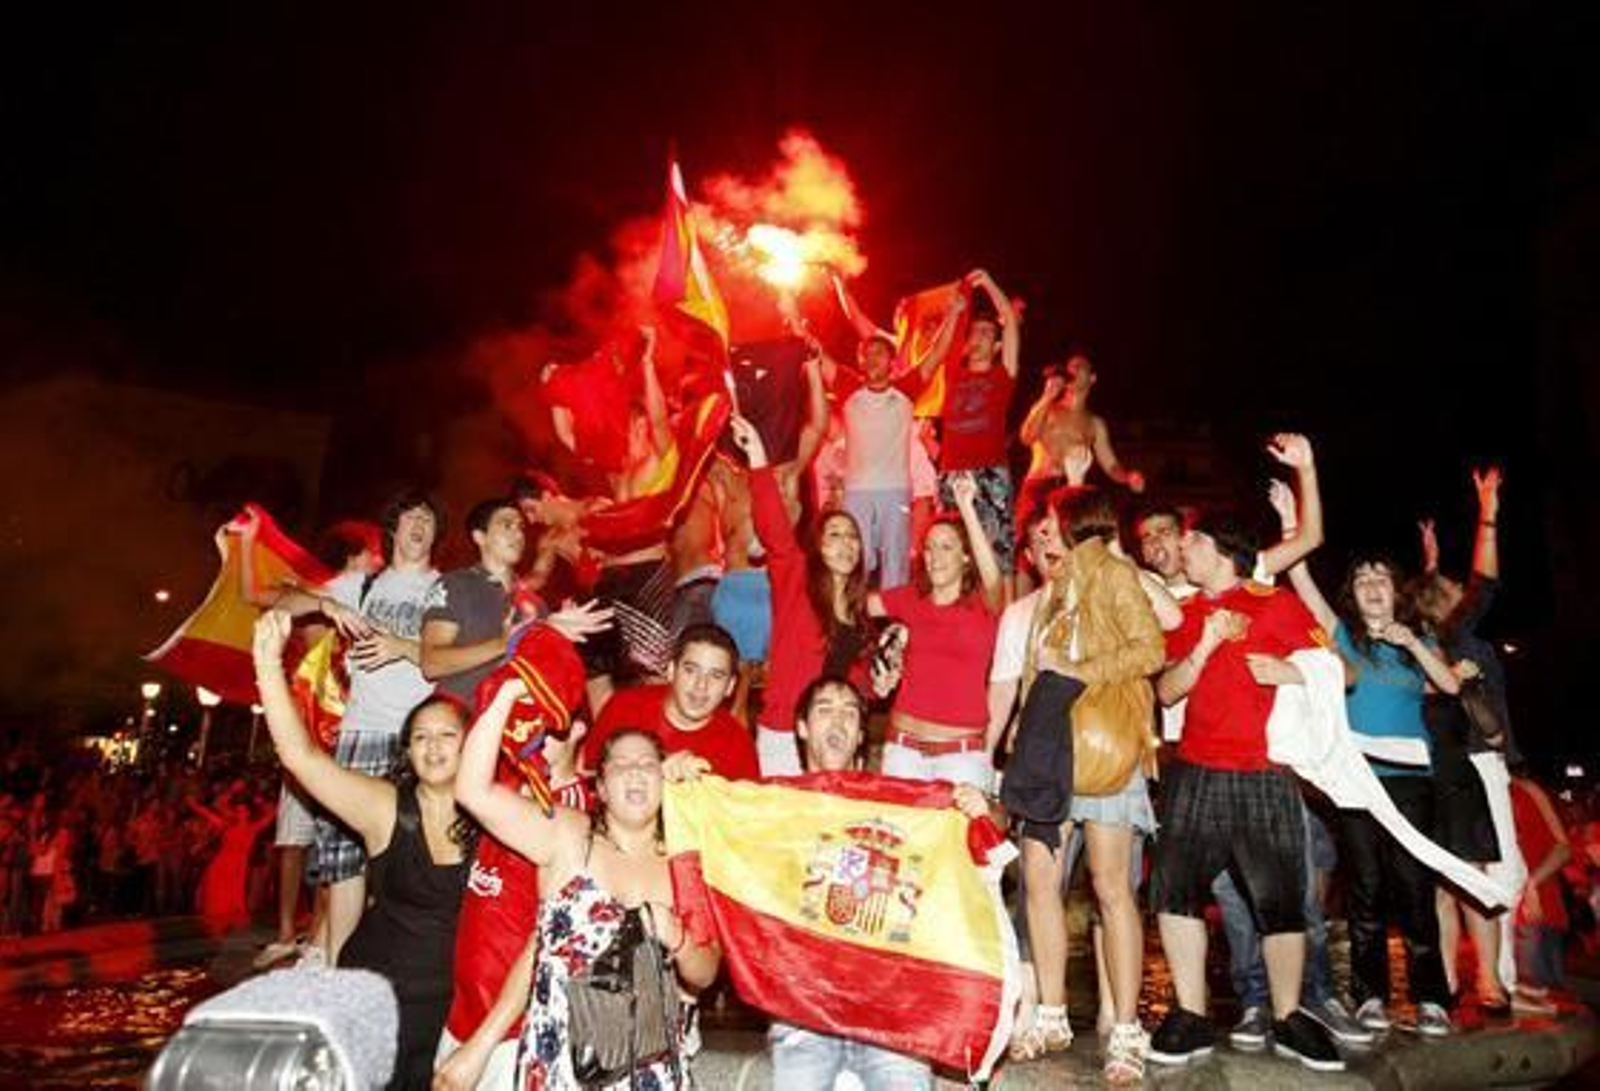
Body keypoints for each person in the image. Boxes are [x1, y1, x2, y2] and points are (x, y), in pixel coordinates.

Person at [1149, 516, 1344, 1071]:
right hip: (1195, 771)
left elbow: (1339, 671)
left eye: (1194, 541)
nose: (1183, 549)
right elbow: (1165, 691)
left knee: (1281, 901)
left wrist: (1292, 671)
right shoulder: (1186, 614)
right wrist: (1205, 646)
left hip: (1264, 774)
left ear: (1226, 551)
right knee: (1176, 891)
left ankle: (1288, 1017)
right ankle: (1190, 1016)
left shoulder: (1275, 604)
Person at [455, 686, 722, 1090]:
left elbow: (706, 972)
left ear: (664, 781)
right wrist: (507, 694)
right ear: (599, 787)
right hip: (558, 1064)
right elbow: (472, 791)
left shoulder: (684, 863)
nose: (634, 771)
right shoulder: (568, 835)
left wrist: (677, 937)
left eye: (647, 764)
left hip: (650, 1070)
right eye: (620, 765)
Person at [254, 609, 474, 1091]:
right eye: (420, 738)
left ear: (471, 744)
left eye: (446, 736)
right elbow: (302, 758)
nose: (433, 748)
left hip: (449, 1014)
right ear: (408, 753)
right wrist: (268, 666)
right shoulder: (385, 808)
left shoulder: (495, 817)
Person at [755, 674, 991, 1088]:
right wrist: (682, 780)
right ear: (802, 728)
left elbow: (990, 840)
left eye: (849, 713)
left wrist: (982, 810)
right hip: (804, 1016)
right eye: (825, 710)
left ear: (861, 734)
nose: (838, 722)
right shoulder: (774, 808)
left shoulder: (894, 804)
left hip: (888, 1019)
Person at [1001, 487, 1163, 1081]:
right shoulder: (1052, 594)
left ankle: (1125, 1029)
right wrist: (1020, 729)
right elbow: (1034, 674)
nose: (1040, 537)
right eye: (1038, 530)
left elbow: (1152, 648)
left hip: (1101, 748)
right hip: (1050, 753)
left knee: (1110, 886)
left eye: (1047, 525)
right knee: (1039, 880)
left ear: (1074, 525)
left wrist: (1082, 671)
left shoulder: (1114, 574)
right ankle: (1051, 1013)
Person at [1288, 548, 1460, 1036]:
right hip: (1358, 779)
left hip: (1410, 781)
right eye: (1361, 578)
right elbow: (1301, 580)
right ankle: (1371, 998)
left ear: (1395, 590)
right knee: (1365, 889)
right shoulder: (1341, 636)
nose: (1371, 585)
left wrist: (1415, 643)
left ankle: (1431, 998)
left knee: (1414, 888)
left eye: (1380, 577)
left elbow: (1448, 686)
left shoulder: (1418, 636)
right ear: (1354, 594)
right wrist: (1291, 524)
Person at [273, 491, 444, 963]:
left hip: (422, 741)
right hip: (362, 734)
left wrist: (403, 645)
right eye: (409, 516)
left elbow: (456, 654)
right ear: (392, 530)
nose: (418, 524)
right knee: (346, 863)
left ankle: (395, 964)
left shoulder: (445, 588)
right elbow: (278, 603)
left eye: (428, 519)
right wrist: (323, 605)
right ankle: (338, 968)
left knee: (411, 860)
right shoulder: (361, 585)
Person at [1415, 467, 1522, 1011]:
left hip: (1454, 763)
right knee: (1482, 876)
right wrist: (1488, 514)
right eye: (1449, 590)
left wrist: (1431, 562)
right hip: (1471, 763)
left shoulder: (1433, 641)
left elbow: (1448, 594)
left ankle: (1477, 981)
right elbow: (1483, 583)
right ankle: (1485, 981)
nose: (1462, 592)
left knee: (1465, 880)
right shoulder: (1450, 635)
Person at [731, 414, 877, 776]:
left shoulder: (862, 615)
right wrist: (759, 462)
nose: (847, 544)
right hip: (784, 733)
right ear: (817, 547)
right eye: (835, 536)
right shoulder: (796, 577)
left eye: (852, 537)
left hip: (835, 740)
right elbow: (774, 529)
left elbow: (855, 685)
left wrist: (877, 683)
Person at [870, 473, 1003, 789]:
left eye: (947, 547)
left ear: (966, 557)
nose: (935, 557)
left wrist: (966, 509)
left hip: (962, 756)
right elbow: (849, 607)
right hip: (902, 750)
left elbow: (995, 580)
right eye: (930, 548)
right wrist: (880, 653)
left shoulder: (983, 606)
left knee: (958, 839)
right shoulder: (909, 598)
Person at [579, 623, 758, 781]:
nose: (701, 685)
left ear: (730, 687)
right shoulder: (626, 707)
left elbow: (748, 812)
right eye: (690, 670)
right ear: (671, 671)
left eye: (716, 676)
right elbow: (588, 775)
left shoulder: (737, 744)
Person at [934, 270, 1021, 591]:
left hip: (990, 473)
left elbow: (1009, 321)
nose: (980, 336)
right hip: (951, 474)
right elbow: (945, 340)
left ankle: (1005, 620)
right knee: (952, 549)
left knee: (999, 549)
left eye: (987, 332)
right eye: (975, 332)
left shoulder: (1003, 377)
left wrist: (987, 283)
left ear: (997, 345)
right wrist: (956, 312)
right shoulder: (953, 374)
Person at [1019, 353, 1144, 492]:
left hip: (1072, 489)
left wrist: (1128, 477)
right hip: (1040, 483)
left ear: (1092, 378)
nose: (1074, 369)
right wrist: (1047, 397)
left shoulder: (1095, 423)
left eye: (1080, 366)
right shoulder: (1047, 408)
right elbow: (1026, 437)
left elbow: (1110, 464)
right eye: (1071, 367)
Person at [1510, 771, 1572, 997]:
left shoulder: (1526, 789)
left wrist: (1532, 883)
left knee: (1547, 998)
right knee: (1551, 1002)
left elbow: (1564, 848)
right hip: (1519, 915)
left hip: (1539, 912)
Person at [189, 782, 276, 931]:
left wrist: (258, 798)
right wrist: (192, 804)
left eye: (243, 810)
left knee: (233, 910)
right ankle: (213, 936)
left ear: (249, 813)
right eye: (237, 810)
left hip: (237, 871)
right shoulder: (226, 824)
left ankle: (226, 938)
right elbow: (206, 813)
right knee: (215, 905)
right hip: (219, 869)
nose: (239, 812)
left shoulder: (253, 828)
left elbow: (273, 813)